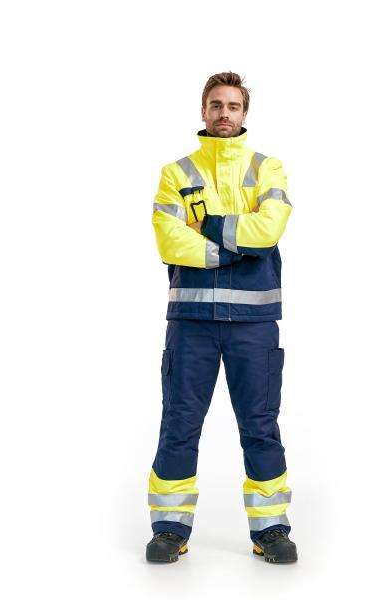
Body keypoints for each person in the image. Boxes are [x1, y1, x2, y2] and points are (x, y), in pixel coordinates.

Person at [146, 71, 297, 564]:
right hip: (191, 322)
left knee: (260, 425)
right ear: (203, 110)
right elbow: (170, 238)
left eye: (233, 106)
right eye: (216, 105)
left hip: (254, 324)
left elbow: (268, 229)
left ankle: (271, 530)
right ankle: (169, 529)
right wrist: (234, 251)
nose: (224, 113)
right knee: (179, 423)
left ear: (244, 113)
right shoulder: (176, 173)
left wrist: (207, 225)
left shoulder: (267, 168)